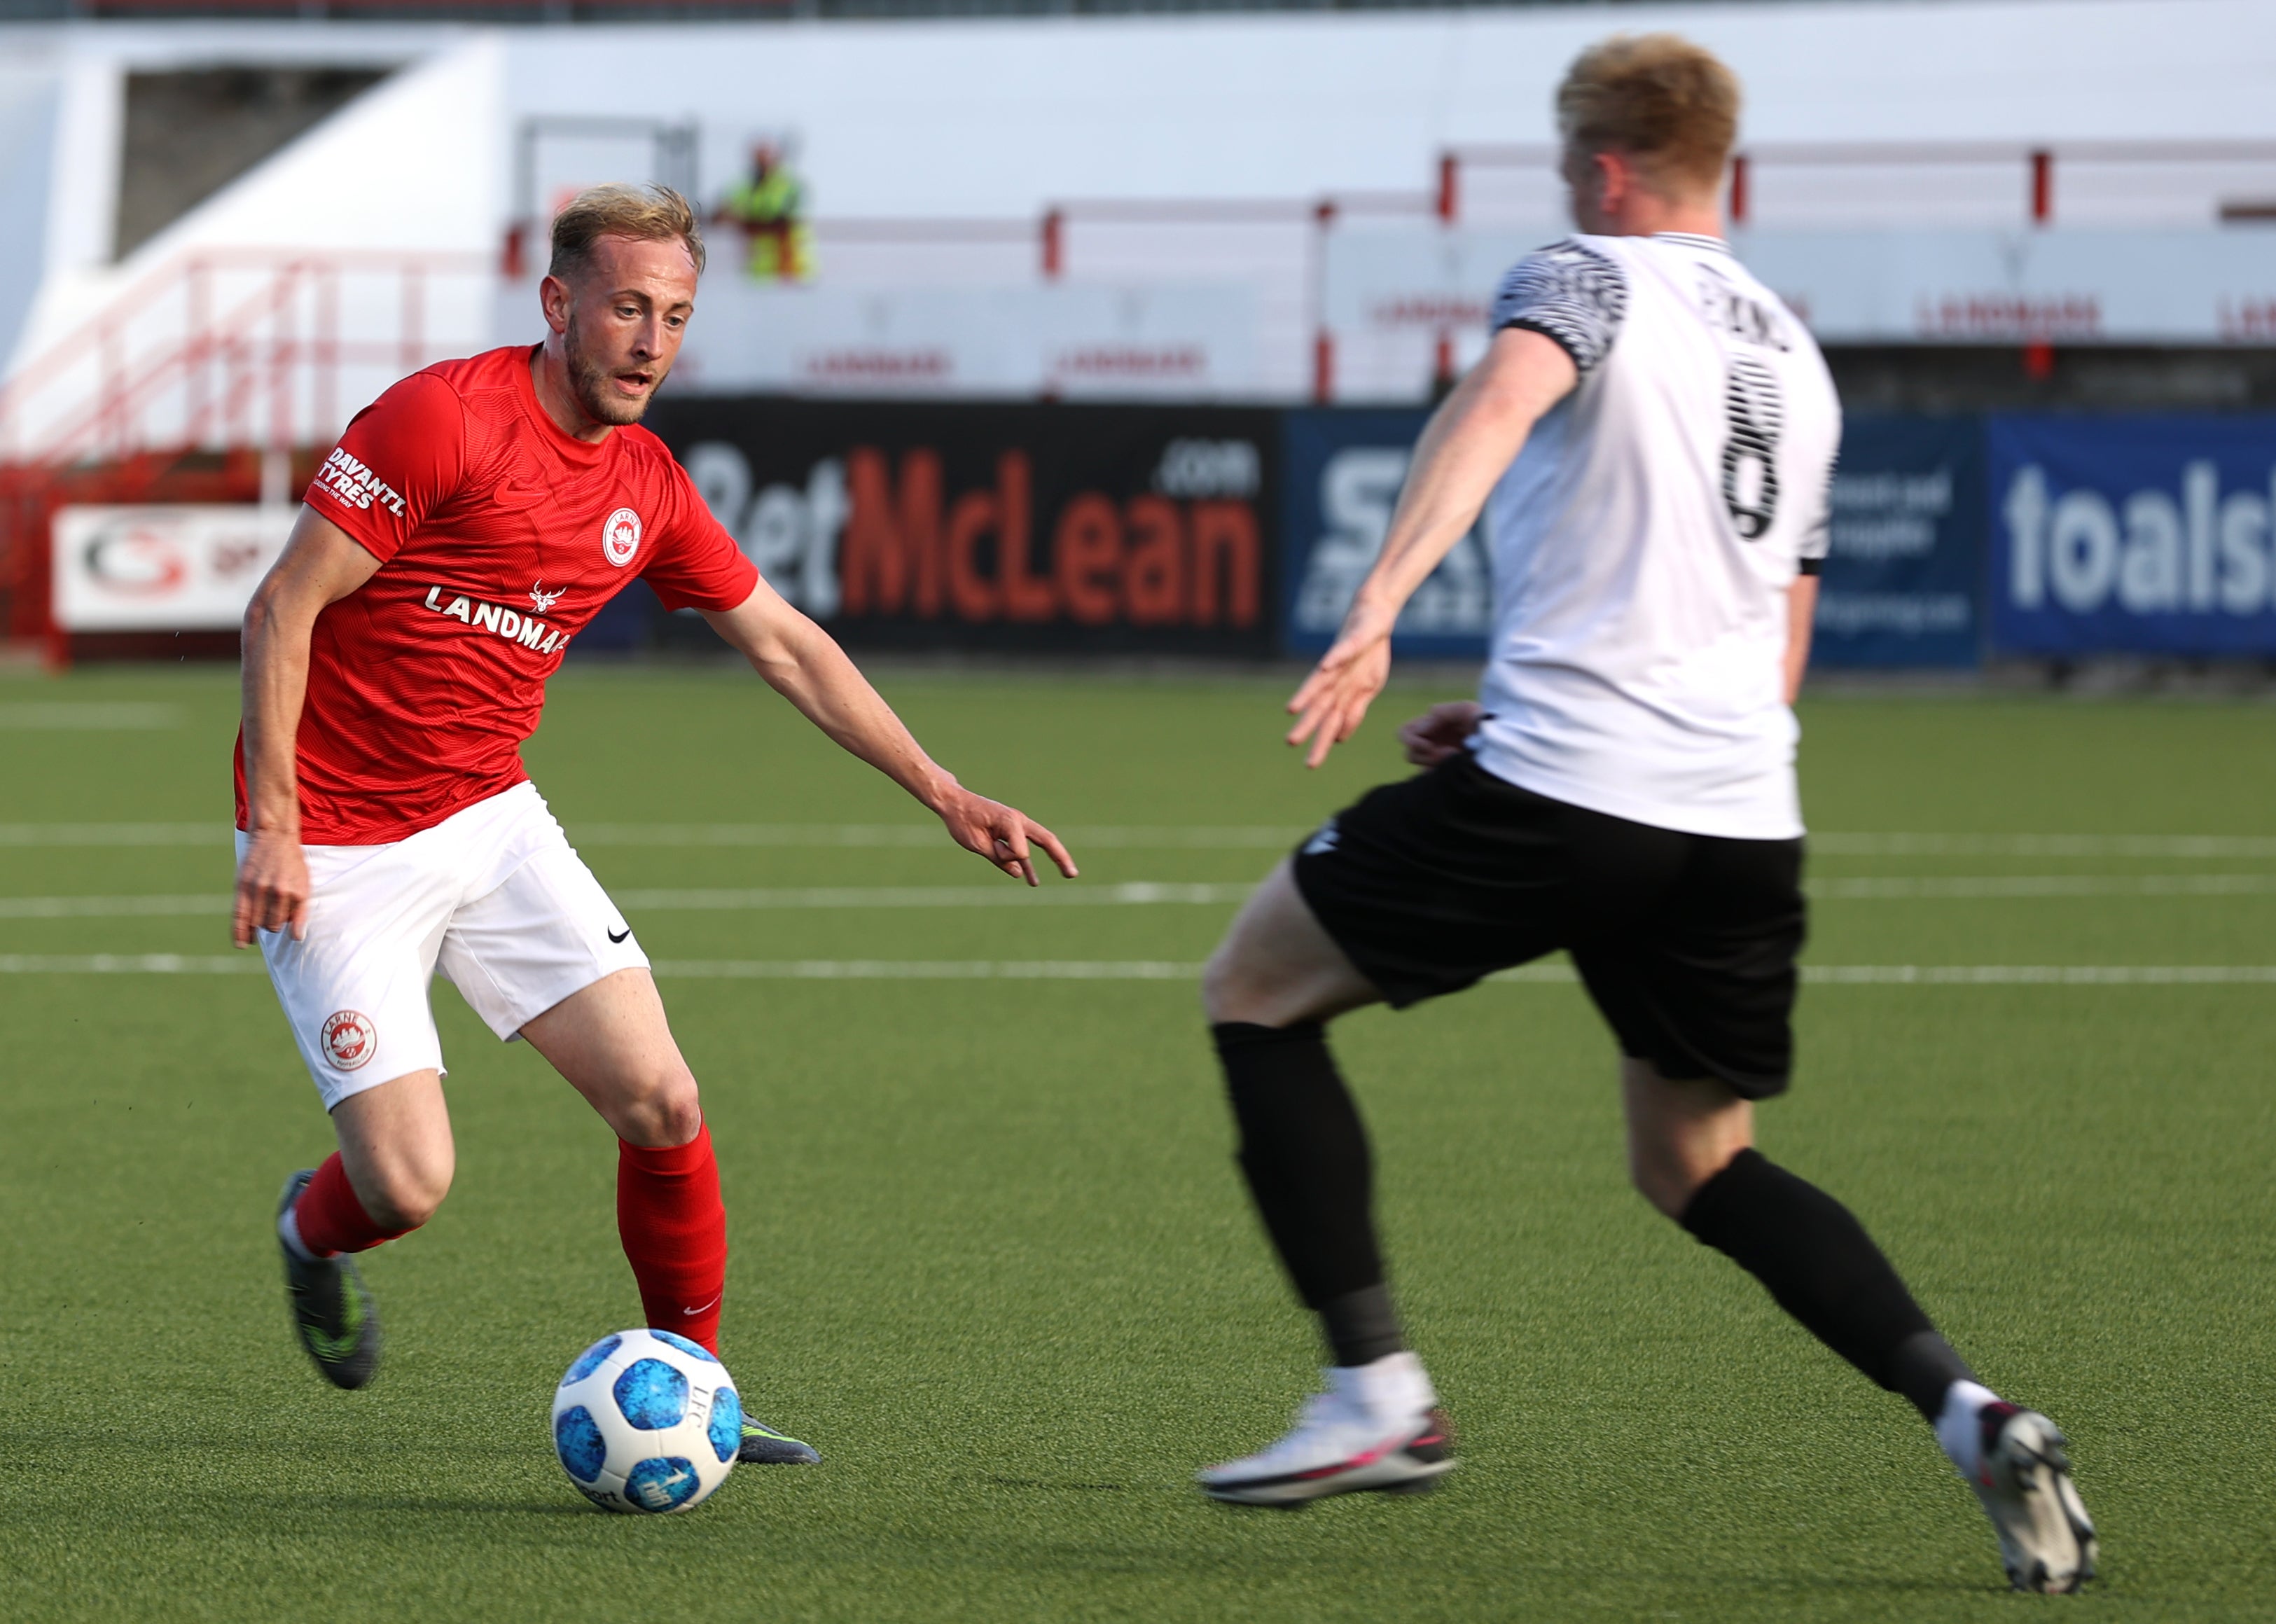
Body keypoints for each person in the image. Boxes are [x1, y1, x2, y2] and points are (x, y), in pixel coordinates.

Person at [1190, 35, 2095, 1595]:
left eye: (1565, 169)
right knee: (1696, 1160)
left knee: (1254, 990)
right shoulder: (1794, 359)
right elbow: (1777, 637)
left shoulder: (1585, 275)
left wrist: (1380, 603)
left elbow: (1488, 411)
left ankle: (1376, 1395)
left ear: (1604, 172)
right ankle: (1968, 1409)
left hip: (1574, 789)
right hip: (1734, 811)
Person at [234, 183, 1076, 1466]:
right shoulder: (439, 421)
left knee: (664, 1098)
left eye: (675, 315)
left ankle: (697, 1389)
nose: (651, 340)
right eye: (628, 307)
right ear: (558, 302)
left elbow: (787, 646)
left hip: (487, 815)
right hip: (337, 841)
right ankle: (311, 1228)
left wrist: (946, 790)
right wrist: (280, 827)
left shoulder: (647, 481)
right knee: (408, 1185)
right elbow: (282, 607)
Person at [716, 144, 814, 283]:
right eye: (759, 159)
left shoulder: (791, 187)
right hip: (758, 272)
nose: (763, 164)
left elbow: (784, 225)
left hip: (791, 272)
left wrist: (746, 224)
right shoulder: (747, 187)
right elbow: (720, 214)